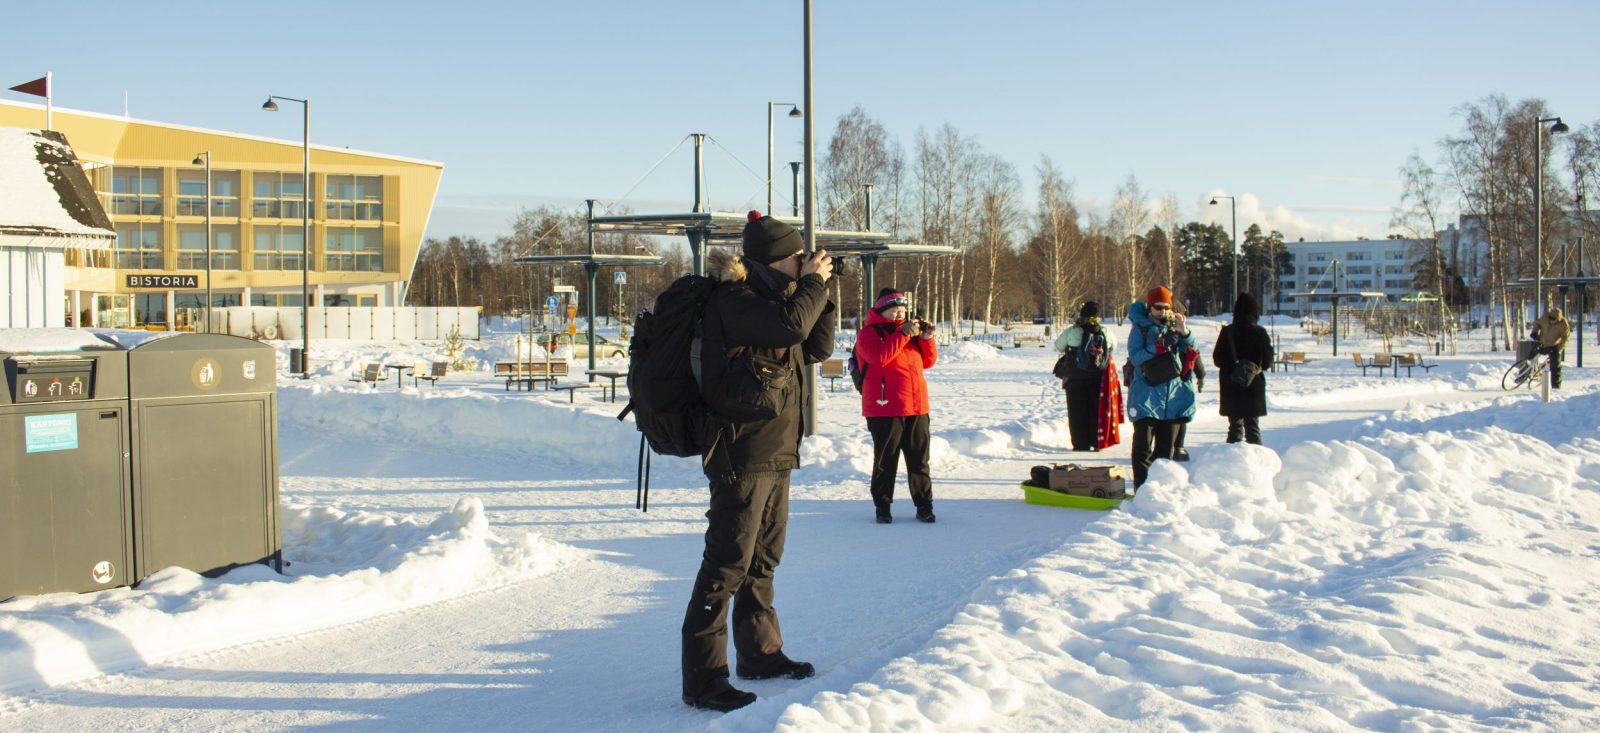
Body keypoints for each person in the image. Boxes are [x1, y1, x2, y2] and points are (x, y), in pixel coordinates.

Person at [681, 210, 836, 712]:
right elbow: (791, 328)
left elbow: (815, 344)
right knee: (727, 563)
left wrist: (823, 292)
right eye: (798, 256)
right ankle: (705, 681)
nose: (805, 262)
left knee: (762, 561)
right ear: (777, 259)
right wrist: (810, 286)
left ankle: (761, 654)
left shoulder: (776, 299)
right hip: (740, 452)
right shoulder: (736, 298)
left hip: (775, 451)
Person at [855, 288, 939, 524]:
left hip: (916, 406)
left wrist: (926, 339)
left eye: (903, 311)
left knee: (919, 460)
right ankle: (883, 507)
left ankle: (924, 505)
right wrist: (902, 334)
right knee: (886, 460)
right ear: (882, 310)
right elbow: (880, 357)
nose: (900, 315)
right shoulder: (869, 333)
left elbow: (928, 362)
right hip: (885, 408)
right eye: (895, 311)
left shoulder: (907, 333)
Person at [1126, 286, 1198, 488]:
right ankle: (1142, 489)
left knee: (1165, 452)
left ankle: (1160, 489)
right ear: (1150, 307)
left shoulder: (1174, 327)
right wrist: (1158, 347)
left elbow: (1193, 351)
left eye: (1167, 307)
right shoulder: (1140, 328)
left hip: (1172, 398)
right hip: (1146, 397)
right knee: (1142, 448)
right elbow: (1136, 357)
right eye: (1158, 307)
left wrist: (1185, 333)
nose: (1164, 312)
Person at [1052, 301, 1118, 451]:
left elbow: (1058, 346)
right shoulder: (1105, 332)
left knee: (1077, 412)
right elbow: (1114, 346)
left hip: (1074, 378)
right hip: (1098, 377)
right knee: (1096, 410)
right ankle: (1096, 441)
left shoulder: (1073, 331)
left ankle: (1080, 443)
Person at [1212, 293, 1274, 444]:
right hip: (1252, 388)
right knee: (1253, 429)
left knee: (1234, 429)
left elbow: (1217, 359)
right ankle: (1256, 463)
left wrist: (1232, 366)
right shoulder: (1260, 332)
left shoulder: (1227, 332)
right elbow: (1267, 363)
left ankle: (1231, 462)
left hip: (1231, 387)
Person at [1531, 307, 1570, 389]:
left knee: (1555, 366)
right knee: (1530, 354)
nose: (1551, 321)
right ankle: (1525, 373)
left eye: (1553, 320)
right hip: (1542, 342)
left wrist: (1558, 348)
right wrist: (1534, 332)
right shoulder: (1545, 317)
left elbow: (1565, 338)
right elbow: (1537, 323)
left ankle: (1556, 385)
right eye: (1550, 319)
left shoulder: (1563, 324)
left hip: (1554, 346)